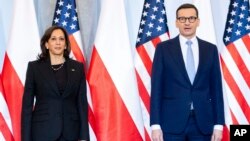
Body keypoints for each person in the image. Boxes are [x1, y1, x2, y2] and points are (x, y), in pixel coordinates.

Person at [150, 3, 225, 141]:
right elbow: (156, 89)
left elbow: (217, 89)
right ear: (176, 22)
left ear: (198, 21)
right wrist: (155, 125)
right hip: (171, 122)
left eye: (191, 18)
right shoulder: (163, 49)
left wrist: (219, 124)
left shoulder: (210, 50)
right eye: (182, 19)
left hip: (203, 123)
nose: (187, 22)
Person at [21, 25, 89, 141]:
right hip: (42, 132)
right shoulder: (34, 68)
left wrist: (84, 137)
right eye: (53, 39)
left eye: (61, 39)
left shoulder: (77, 68)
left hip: (70, 132)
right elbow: (27, 107)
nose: (58, 42)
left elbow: (82, 105)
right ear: (46, 44)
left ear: (66, 44)